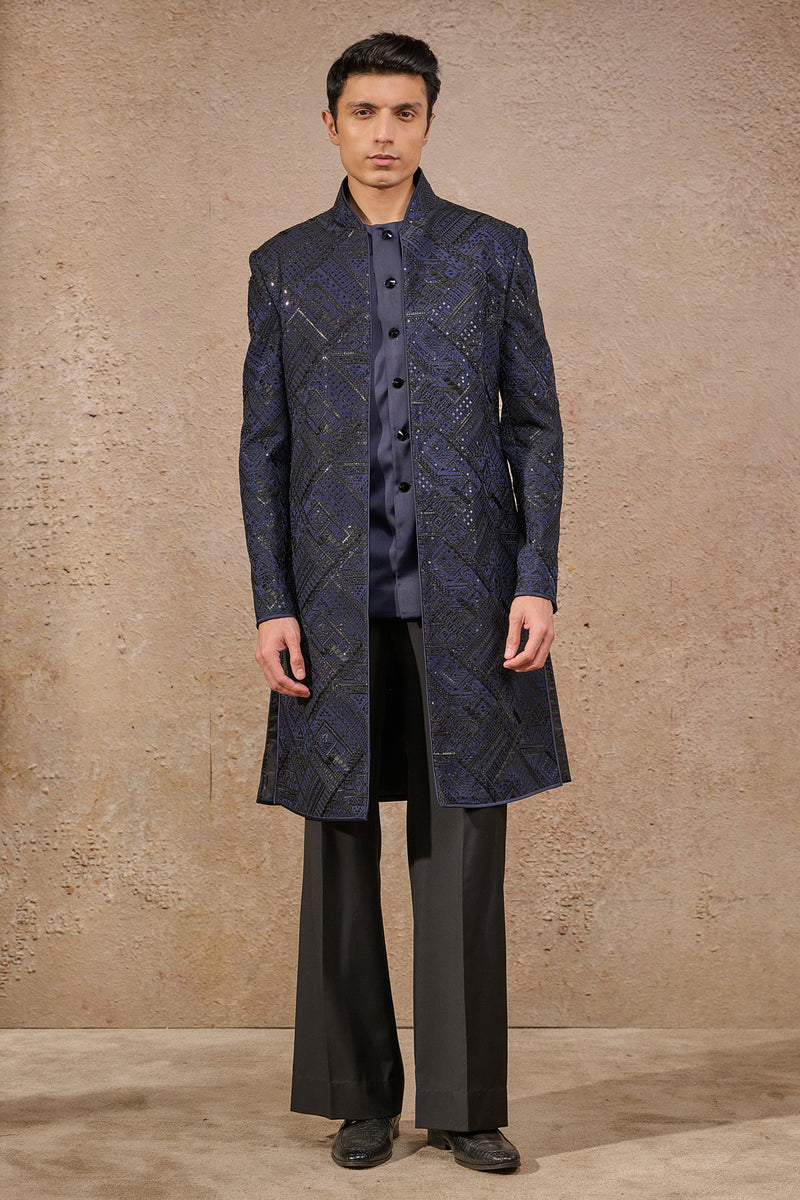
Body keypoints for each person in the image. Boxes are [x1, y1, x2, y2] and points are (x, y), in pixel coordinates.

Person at [240, 31, 570, 1173]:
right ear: (331, 123)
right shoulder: (284, 265)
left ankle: (466, 1105)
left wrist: (534, 577)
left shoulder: (489, 251)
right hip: (331, 603)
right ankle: (357, 1100)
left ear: (429, 122)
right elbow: (263, 449)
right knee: (339, 846)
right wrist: (272, 600)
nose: (384, 134)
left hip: (467, 596)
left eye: (405, 113)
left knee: (462, 845)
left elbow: (534, 425)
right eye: (365, 112)